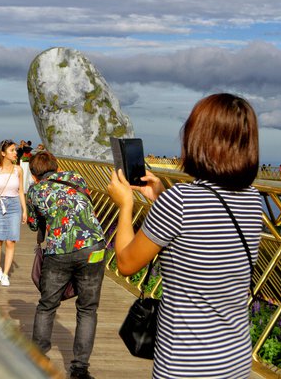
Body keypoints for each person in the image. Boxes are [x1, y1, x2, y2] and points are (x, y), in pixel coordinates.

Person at [107, 93, 262, 379]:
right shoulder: (253, 199)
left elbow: (127, 263)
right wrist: (160, 197)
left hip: (185, 362)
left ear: (197, 138)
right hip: (235, 361)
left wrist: (125, 205)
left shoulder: (180, 200)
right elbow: (203, 231)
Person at [26, 150, 106, 379]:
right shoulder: (77, 178)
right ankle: (80, 369)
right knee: (88, 309)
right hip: (94, 248)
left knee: (47, 305)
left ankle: (38, 359)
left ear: (33, 174)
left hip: (59, 249)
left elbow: (33, 225)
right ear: (57, 167)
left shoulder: (36, 190)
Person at [0, 139, 27, 287]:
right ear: (3, 153)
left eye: (15, 150)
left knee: (11, 240)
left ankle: (5, 274)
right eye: (12, 150)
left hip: (14, 205)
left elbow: (21, 191)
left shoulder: (18, 170)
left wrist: (24, 210)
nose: (16, 153)